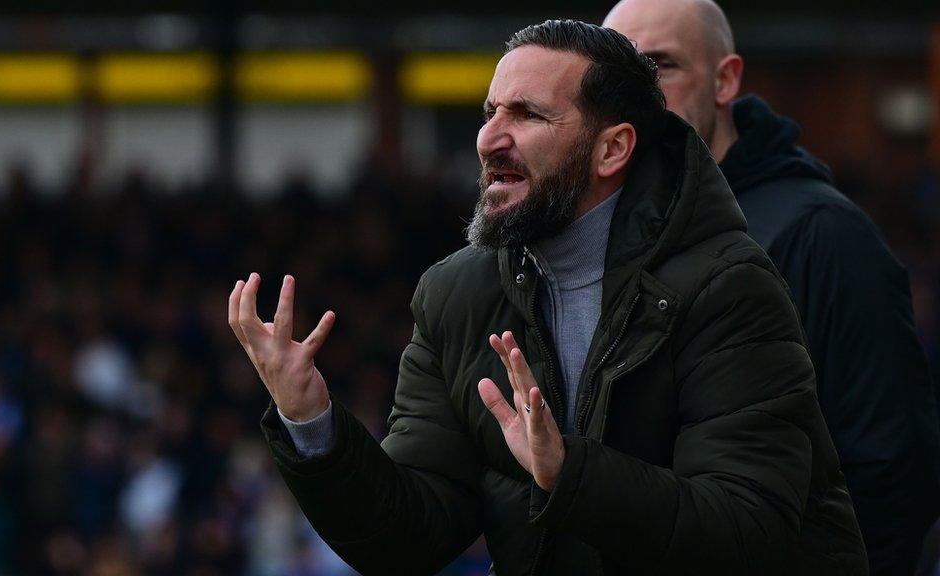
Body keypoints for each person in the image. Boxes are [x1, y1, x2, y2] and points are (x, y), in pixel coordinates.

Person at [229, 20, 868, 574]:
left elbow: (747, 533)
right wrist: (310, 422)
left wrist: (570, 475)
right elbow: (407, 541)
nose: (488, 139)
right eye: (490, 113)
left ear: (612, 148)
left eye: (527, 115)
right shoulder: (456, 295)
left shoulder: (728, 287)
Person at [602, 2, 940, 573]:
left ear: (725, 79)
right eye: (616, 74)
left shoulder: (822, 234)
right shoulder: (609, 236)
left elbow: (889, 466)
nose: (637, 90)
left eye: (660, 65)